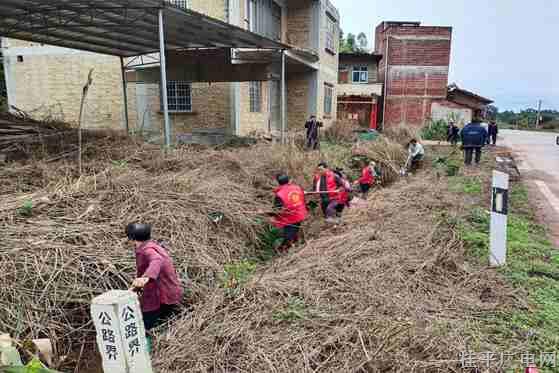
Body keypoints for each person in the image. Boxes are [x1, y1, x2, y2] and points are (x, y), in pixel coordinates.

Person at [126, 223, 183, 331]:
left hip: (162, 295)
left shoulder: (147, 250)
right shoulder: (151, 245)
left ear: (132, 238)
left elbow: (157, 260)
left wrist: (145, 278)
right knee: (163, 323)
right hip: (170, 291)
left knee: (145, 325)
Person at [272, 174, 309, 253]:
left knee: (288, 235)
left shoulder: (279, 194)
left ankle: (282, 249)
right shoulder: (297, 188)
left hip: (290, 218)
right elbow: (303, 199)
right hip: (300, 213)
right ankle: (295, 243)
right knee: (294, 230)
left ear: (278, 183)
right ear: (289, 180)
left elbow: (277, 209)